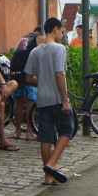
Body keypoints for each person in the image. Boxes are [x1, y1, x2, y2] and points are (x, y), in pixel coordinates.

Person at [24, 17, 72, 186]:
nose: (62, 35)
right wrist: (65, 99)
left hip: (42, 99)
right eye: (61, 31)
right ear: (55, 30)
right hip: (56, 98)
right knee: (67, 130)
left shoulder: (35, 51)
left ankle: (48, 176)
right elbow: (60, 74)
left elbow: (28, 77)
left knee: (46, 136)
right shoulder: (59, 49)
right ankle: (52, 164)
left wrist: (43, 80)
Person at [9, 27, 42, 140]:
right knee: (30, 102)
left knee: (18, 101)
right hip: (27, 71)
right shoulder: (37, 38)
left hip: (14, 71)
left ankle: (17, 131)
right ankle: (29, 132)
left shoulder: (25, 37)